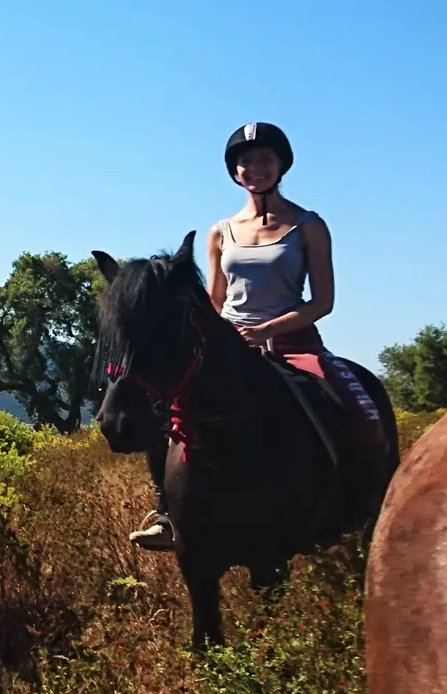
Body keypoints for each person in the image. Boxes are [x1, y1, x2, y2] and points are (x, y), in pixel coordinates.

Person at [129, 122, 379, 551]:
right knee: (166, 412)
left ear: (281, 165)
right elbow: (215, 298)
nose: (255, 167)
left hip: (293, 344)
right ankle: (167, 515)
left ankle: (359, 501)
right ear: (235, 172)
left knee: (356, 410)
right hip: (228, 348)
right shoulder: (220, 232)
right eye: (246, 161)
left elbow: (323, 301)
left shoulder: (308, 225)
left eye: (265, 158)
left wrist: (266, 329)